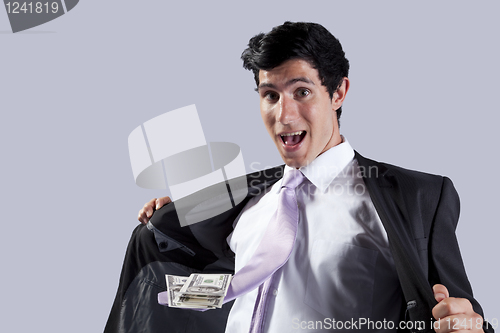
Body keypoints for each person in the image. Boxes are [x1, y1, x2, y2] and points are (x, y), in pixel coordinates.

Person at [105, 22, 493, 333]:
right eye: (270, 95)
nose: (284, 115)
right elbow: (209, 300)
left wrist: (474, 327)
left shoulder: (413, 198)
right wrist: (170, 231)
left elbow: (459, 315)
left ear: (338, 92)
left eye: (302, 91)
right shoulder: (245, 203)